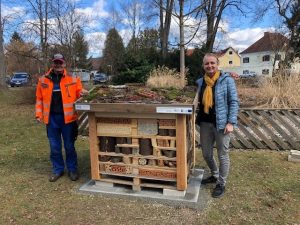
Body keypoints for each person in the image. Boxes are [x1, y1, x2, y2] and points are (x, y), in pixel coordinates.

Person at [35, 53, 87, 182]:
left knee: (69, 146)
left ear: (64, 64)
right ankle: (57, 169)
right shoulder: (43, 80)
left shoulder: (73, 78)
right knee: (54, 147)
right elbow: (39, 99)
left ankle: (72, 169)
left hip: (68, 120)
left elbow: (79, 92)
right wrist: (38, 114)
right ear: (52, 63)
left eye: (60, 62)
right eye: (56, 62)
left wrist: (83, 93)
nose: (58, 65)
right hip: (51, 119)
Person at [196, 53, 239, 198]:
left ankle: (221, 183)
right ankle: (214, 174)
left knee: (222, 155)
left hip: (222, 125)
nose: (210, 66)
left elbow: (234, 102)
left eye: (212, 63)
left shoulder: (227, 80)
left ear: (217, 63)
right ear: (203, 65)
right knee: (206, 154)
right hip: (205, 123)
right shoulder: (201, 82)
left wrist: (231, 122)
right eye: (207, 63)